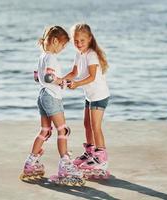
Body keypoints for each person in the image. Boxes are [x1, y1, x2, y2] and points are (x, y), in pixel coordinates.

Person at [20, 25, 84, 186]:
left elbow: (37, 77)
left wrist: (55, 80)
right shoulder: (51, 58)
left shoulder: (42, 56)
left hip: (42, 95)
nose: (62, 49)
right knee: (63, 130)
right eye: (63, 45)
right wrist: (61, 81)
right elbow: (49, 78)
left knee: (45, 131)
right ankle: (65, 165)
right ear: (55, 41)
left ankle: (30, 163)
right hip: (51, 96)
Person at [63, 23, 110, 179]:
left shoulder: (91, 55)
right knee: (86, 125)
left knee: (95, 126)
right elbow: (74, 72)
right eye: (76, 41)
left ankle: (101, 158)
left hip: (99, 94)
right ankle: (90, 153)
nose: (79, 44)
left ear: (89, 39)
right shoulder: (79, 53)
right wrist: (61, 80)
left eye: (82, 40)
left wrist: (76, 84)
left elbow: (91, 77)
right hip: (90, 95)